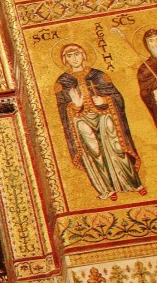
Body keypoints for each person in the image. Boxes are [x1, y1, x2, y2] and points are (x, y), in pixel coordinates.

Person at [55, 42, 145, 200]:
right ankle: (107, 188)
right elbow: (62, 108)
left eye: (77, 54)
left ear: (83, 55)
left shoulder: (98, 75)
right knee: (94, 151)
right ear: (65, 60)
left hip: (105, 116)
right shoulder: (63, 81)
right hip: (80, 121)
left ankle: (133, 183)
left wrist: (104, 99)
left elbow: (117, 97)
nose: (74, 58)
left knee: (116, 147)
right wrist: (75, 105)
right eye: (69, 56)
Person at [137, 29, 157, 127]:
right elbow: (145, 93)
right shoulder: (145, 69)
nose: (156, 44)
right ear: (147, 45)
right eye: (151, 41)